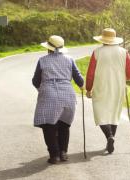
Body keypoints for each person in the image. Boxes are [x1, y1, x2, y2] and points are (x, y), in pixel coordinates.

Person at [32, 35, 84, 164]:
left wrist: (42, 88)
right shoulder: (69, 59)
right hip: (68, 94)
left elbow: (35, 81)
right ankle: (63, 153)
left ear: (48, 48)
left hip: (49, 94)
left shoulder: (42, 60)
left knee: (49, 125)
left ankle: (54, 155)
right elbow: (79, 80)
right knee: (64, 124)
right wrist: (84, 88)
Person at [86, 28, 130, 154]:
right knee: (114, 113)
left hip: (100, 87)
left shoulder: (97, 52)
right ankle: (111, 138)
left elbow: (90, 74)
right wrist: (124, 77)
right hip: (118, 87)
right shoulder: (124, 52)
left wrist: (88, 88)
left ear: (103, 39)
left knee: (100, 113)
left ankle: (109, 137)